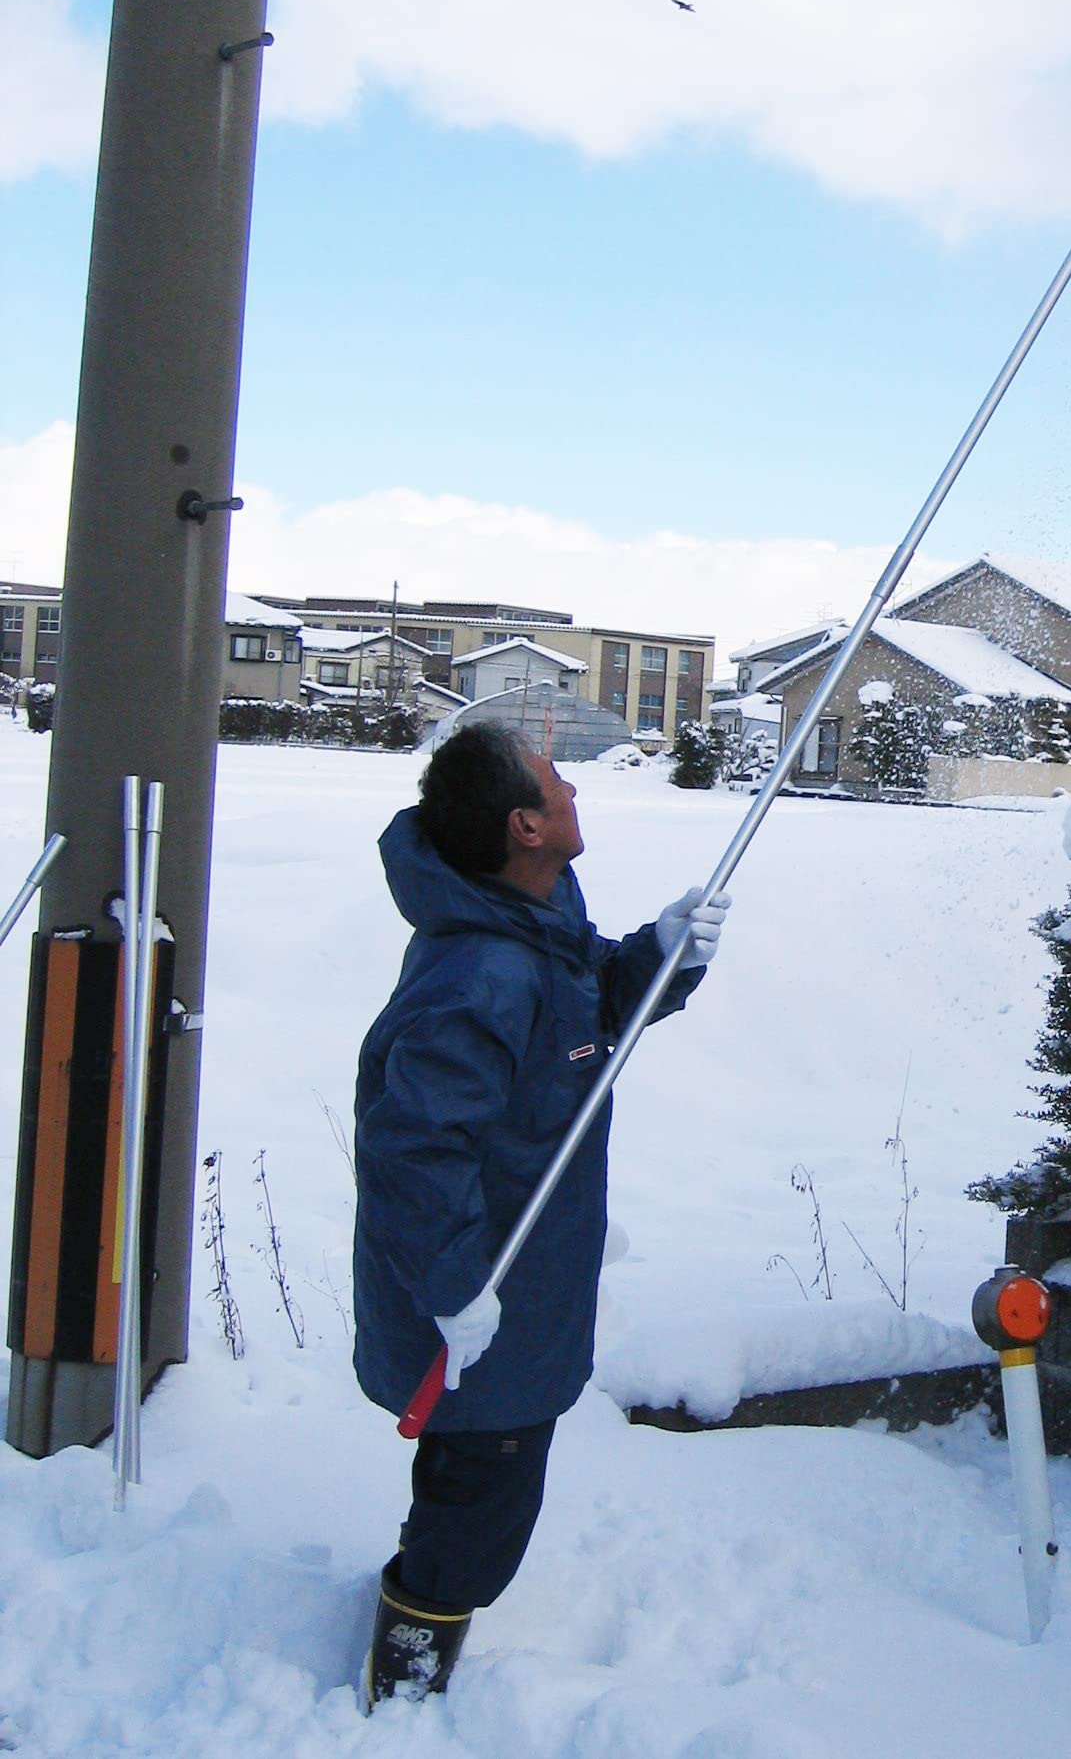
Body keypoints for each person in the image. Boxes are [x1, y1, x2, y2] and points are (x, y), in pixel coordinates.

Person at [350, 721, 729, 1709]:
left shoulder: (532, 914)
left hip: (525, 1286)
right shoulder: (480, 974)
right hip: (487, 1311)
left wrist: (660, 953)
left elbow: (585, 1010)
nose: (573, 789)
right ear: (526, 824)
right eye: (557, 781)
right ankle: (402, 1685)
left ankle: (422, 1595)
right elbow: (413, 1150)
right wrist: (456, 1288)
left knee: (468, 1484)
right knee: (481, 1519)